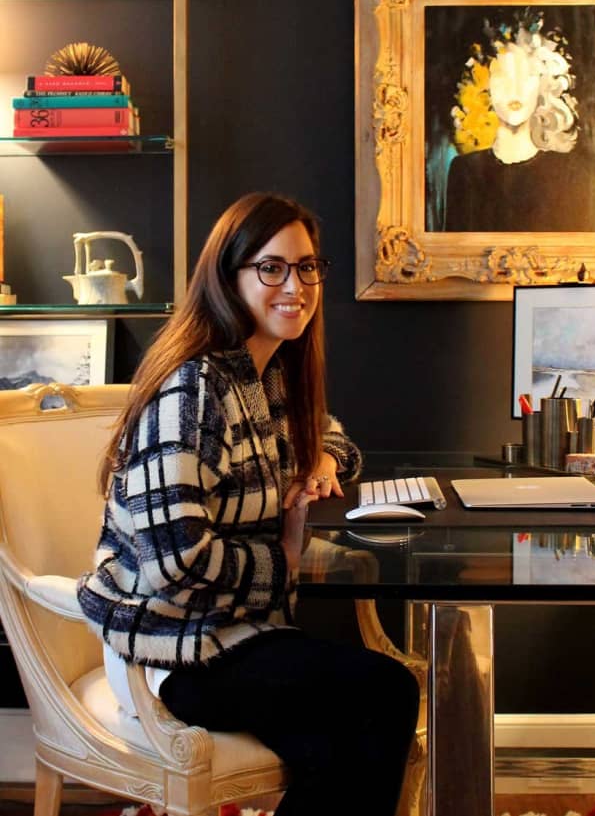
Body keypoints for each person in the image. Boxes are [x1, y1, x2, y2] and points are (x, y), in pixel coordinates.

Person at [77, 192, 420, 816]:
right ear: (228, 278)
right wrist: (283, 560)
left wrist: (322, 458)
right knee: (385, 691)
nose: (296, 285)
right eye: (272, 268)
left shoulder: (267, 375)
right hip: (170, 647)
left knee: (338, 745)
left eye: (308, 267)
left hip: (239, 633)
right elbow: (171, 565)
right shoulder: (192, 390)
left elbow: (336, 436)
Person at [443, 13, 595, 233]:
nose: (514, 89)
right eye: (502, 75)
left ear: (544, 85)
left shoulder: (570, 174)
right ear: (485, 85)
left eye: (527, 76)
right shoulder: (464, 172)